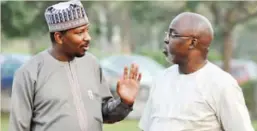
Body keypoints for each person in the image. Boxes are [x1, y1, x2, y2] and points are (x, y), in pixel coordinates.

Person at [8, 0, 142, 131]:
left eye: (87, 30)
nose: (88, 37)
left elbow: (105, 114)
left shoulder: (92, 64)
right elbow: (18, 127)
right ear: (59, 37)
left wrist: (124, 102)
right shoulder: (29, 73)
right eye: (80, 32)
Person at [138, 12, 254, 131]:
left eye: (173, 34)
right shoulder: (161, 79)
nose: (166, 39)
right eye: (167, 34)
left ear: (192, 42)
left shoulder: (222, 85)